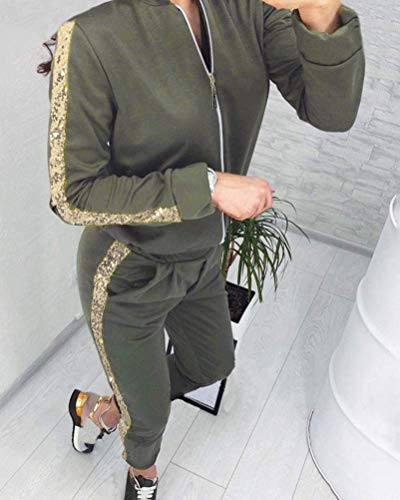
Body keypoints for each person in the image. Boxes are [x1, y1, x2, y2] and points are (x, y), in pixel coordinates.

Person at [39, 0, 365, 497]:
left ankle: (100, 409)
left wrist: (319, 9)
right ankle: (142, 474)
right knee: (149, 417)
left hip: (203, 256)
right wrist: (207, 187)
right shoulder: (91, 35)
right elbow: (72, 194)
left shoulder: (249, 11)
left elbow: (332, 112)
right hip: (128, 268)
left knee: (212, 364)